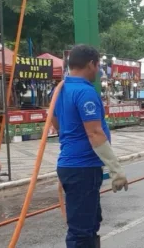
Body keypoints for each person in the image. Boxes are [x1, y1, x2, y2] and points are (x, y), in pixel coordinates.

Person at [52, 45, 128, 248]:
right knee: (81, 231)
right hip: (82, 169)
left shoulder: (60, 89)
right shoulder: (85, 92)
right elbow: (94, 133)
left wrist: (69, 141)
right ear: (91, 64)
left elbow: (54, 119)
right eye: (98, 65)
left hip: (71, 166)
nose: (99, 70)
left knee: (91, 223)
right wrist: (116, 169)